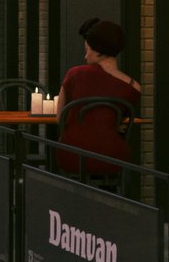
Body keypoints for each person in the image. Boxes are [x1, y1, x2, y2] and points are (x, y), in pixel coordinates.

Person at [55, 18, 141, 177]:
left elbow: (60, 117)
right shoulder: (133, 86)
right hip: (112, 156)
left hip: (71, 154)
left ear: (98, 51)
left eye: (87, 50)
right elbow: (120, 124)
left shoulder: (74, 74)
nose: (85, 56)